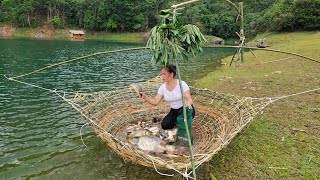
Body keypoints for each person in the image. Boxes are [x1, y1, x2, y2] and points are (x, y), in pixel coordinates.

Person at [140, 64, 195, 130]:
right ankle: (177, 122)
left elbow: (189, 98)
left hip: (185, 109)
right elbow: (155, 102)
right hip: (174, 110)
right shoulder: (162, 88)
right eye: (162, 74)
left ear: (171, 74)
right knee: (165, 125)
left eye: (164, 74)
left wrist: (189, 102)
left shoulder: (181, 84)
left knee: (182, 115)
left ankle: (183, 122)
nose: (162, 76)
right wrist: (145, 97)